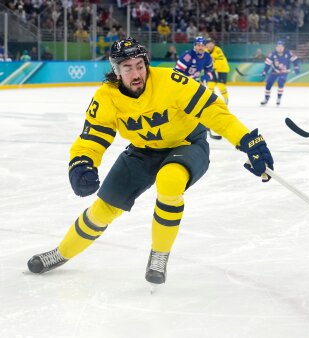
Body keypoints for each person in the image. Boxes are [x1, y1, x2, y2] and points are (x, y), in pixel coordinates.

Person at [26, 38, 275, 286]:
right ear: (116, 71)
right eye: (127, 68)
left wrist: (247, 141)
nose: (136, 73)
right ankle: (62, 252)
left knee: (170, 181)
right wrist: (82, 162)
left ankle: (159, 254)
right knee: (103, 208)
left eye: (139, 65)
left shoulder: (170, 82)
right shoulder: (106, 97)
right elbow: (93, 136)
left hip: (187, 144)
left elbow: (213, 111)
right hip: (143, 151)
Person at [174, 36, 219, 139]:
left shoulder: (207, 57)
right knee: (183, 108)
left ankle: (199, 126)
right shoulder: (188, 56)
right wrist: (187, 81)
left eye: (202, 45)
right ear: (195, 46)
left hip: (195, 83)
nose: (200, 47)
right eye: (198, 45)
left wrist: (206, 77)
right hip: (182, 85)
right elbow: (177, 72)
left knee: (201, 104)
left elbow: (210, 71)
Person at [259, 40, 300, 106]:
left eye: (281, 46)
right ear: (276, 47)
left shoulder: (288, 53)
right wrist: (264, 71)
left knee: (281, 82)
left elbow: (295, 60)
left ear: (283, 47)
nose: (280, 48)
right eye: (278, 46)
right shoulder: (272, 54)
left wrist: (296, 67)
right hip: (274, 72)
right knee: (268, 84)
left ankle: (279, 98)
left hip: (284, 72)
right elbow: (268, 64)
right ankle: (266, 98)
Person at [204, 37, 230, 105]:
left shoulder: (218, 50)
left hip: (222, 69)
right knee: (210, 84)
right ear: (206, 45)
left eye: (212, 43)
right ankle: (212, 100)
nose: (210, 45)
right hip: (212, 69)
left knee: (220, 85)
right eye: (208, 44)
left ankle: (226, 99)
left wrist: (212, 66)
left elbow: (220, 62)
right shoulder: (205, 51)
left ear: (214, 44)